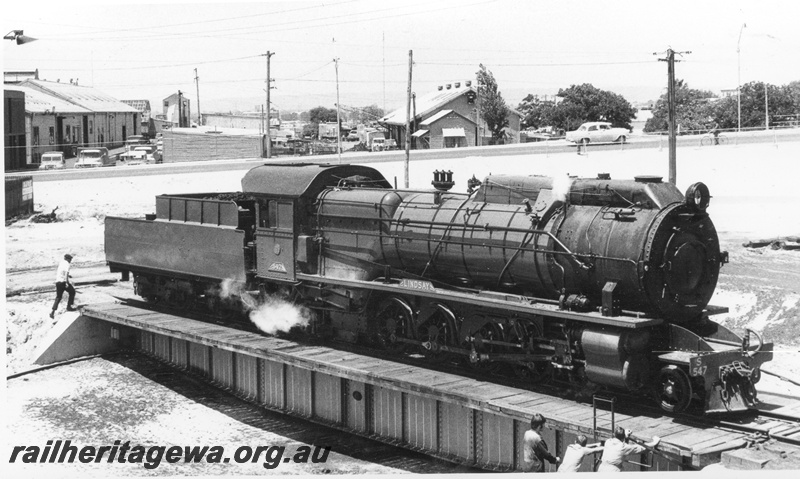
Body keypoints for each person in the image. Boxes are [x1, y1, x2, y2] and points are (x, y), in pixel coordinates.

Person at [50, 253, 77, 319]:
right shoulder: (67, 264)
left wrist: (68, 276)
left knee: (58, 297)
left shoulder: (61, 263)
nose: (71, 261)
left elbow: (62, 272)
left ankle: (52, 312)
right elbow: (66, 274)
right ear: (68, 259)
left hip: (58, 282)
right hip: (63, 282)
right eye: (70, 259)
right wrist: (67, 282)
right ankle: (69, 307)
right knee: (72, 292)